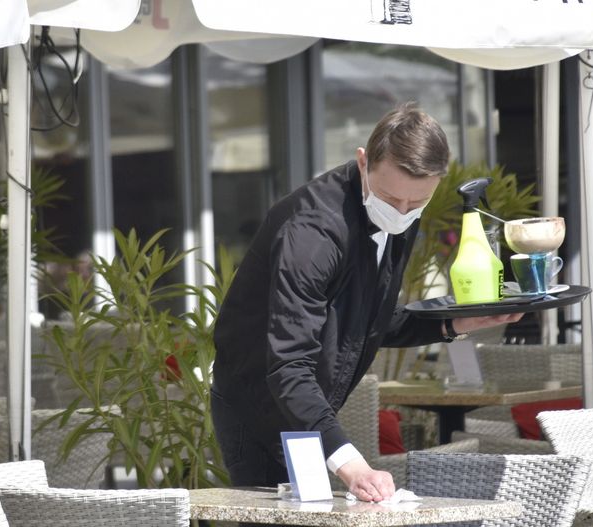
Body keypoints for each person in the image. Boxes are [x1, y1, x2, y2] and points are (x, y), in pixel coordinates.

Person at [211, 104, 522, 502]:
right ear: (363, 161)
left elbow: (369, 322)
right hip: (258, 405)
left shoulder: (396, 214)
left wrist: (455, 324)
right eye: (391, 198)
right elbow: (288, 364)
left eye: (418, 203)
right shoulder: (312, 235)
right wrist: (352, 464)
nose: (402, 213)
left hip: (308, 403)